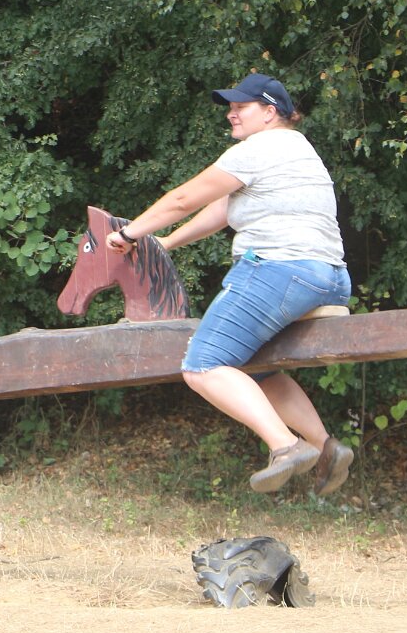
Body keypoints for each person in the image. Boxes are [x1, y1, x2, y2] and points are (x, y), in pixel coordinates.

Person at [105, 74, 354, 495]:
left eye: (241, 107)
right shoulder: (299, 149)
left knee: (203, 365)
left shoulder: (258, 149)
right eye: (231, 107)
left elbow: (184, 199)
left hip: (278, 271)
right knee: (255, 368)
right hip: (329, 277)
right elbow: (222, 210)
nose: (231, 114)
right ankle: (325, 446)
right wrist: (164, 242)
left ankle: (285, 447)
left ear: (270, 112)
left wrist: (130, 233)